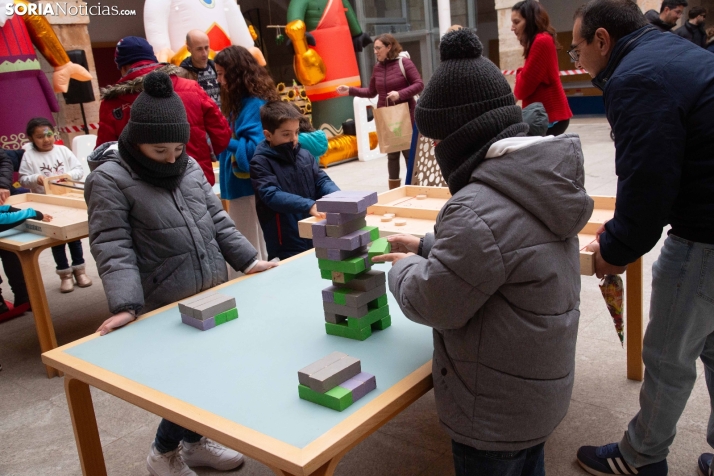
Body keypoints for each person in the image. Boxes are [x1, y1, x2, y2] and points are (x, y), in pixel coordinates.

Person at [373, 28, 592, 476]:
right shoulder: (535, 179)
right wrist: (428, 244)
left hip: (492, 407)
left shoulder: (475, 207)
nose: (434, 149)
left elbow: (437, 301)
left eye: (436, 139)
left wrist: (407, 268)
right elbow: (503, 254)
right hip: (534, 387)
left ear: (460, 135)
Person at [85, 71, 277, 476]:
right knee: (187, 385)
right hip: (162, 301)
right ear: (136, 141)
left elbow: (217, 221)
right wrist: (126, 304)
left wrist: (248, 260)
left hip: (209, 289)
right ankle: (162, 453)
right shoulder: (109, 180)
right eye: (160, 150)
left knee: (215, 373)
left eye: (178, 147)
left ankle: (194, 443)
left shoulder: (188, 166)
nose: (172, 158)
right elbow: (112, 245)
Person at [569, 1, 714, 475]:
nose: (578, 62)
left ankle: (641, 457)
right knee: (712, 345)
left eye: (578, 51)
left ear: (603, 39)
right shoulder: (674, 54)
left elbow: (649, 182)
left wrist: (615, 249)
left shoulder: (636, 78)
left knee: (668, 356)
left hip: (704, 234)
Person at [97, 36, 230, 186]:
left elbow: (104, 155)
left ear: (123, 67)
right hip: (196, 178)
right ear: (153, 59)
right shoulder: (191, 88)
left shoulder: (112, 102)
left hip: (144, 188)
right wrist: (203, 153)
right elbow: (222, 135)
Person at [214, 45, 279, 267]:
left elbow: (254, 151)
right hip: (242, 187)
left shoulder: (252, 104)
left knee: (246, 249)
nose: (219, 80)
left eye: (222, 74)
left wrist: (224, 140)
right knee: (252, 245)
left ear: (235, 74)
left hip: (247, 188)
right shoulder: (241, 102)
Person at [250, 101, 340, 260]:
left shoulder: (304, 154)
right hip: (285, 242)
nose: (294, 139)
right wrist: (309, 205)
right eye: (286, 134)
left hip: (314, 231)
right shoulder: (260, 162)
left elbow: (320, 181)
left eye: (297, 132)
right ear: (268, 135)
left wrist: (339, 197)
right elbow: (271, 195)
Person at [336, 34, 424, 189]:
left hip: (404, 114)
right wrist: (349, 90)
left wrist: (400, 94)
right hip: (386, 116)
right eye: (374, 48)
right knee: (392, 156)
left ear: (389, 47)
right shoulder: (377, 67)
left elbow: (419, 84)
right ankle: (394, 191)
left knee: (408, 154)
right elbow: (371, 92)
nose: (375, 52)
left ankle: (415, 188)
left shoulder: (404, 62)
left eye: (378, 48)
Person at [18, 117, 92, 293]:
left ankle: (80, 270)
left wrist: (67, 175)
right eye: (40, 137)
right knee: (56, 239)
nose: (46, 140)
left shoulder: (63, 150)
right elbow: (22, 179)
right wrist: (36, 178)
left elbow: (78, 169)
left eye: (49, 134)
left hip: (68, 200)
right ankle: (65, 274)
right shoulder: (29, 156)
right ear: (31, 138)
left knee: (74, 238)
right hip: (46, 204)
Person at [511, 0, 572, 136]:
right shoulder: (540, 40)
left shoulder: (541, 41)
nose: (512, 28)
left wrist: (519, 73)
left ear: (530, 20)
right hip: (544, 116)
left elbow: (525, 85)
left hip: (549, 117)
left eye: (516, 22)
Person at [179, 30, 221, 106]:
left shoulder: (217, 68)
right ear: (189, 49)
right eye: (199, 49)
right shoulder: (183, 75)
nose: (204, 53)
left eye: (206, 48)